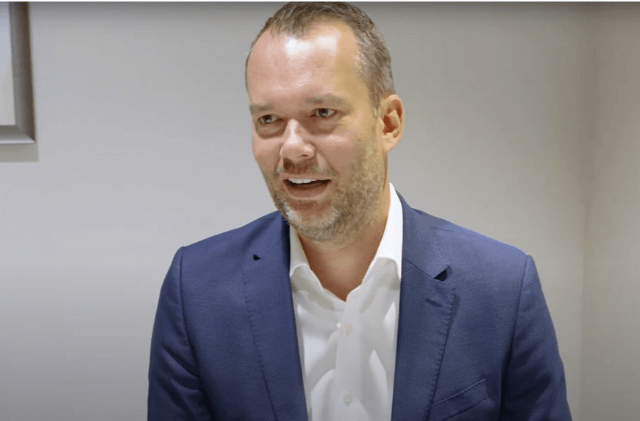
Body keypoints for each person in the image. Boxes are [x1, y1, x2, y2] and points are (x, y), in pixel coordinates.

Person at [148, 3, 572, 420]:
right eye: (269, 119)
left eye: (323, 113)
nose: (291, 147)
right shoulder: (196, 291)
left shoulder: (502, 290)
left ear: (388, 123)